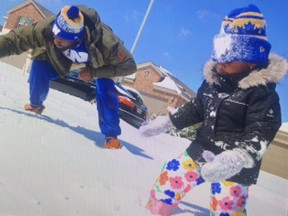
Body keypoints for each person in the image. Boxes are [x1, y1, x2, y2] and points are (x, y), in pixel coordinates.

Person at [139, 4, 288, 215]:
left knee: (227, 203)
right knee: (172, 176)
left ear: (252, 61)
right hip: (203, 147)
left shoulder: (261, 94)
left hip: (234, 164)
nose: (220, 61)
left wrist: (238, 157)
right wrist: (169, 121)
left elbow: (262, 129)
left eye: (229, 54)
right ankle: (158, 207)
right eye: (219, 51)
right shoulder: (212, 83)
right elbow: (196, 108)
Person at [0, 5, 137, 149]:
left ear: (77, 38)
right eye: (56, 34)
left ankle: (111, 136)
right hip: (64, 60)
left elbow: (129, 66)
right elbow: (14, 40)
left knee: (105, 86)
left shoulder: (107, 42)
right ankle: (36, 105)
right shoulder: (47, 27)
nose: (57, 40)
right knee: (39, 62)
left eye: (63, 38)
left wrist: (93, 73)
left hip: (97, 64)